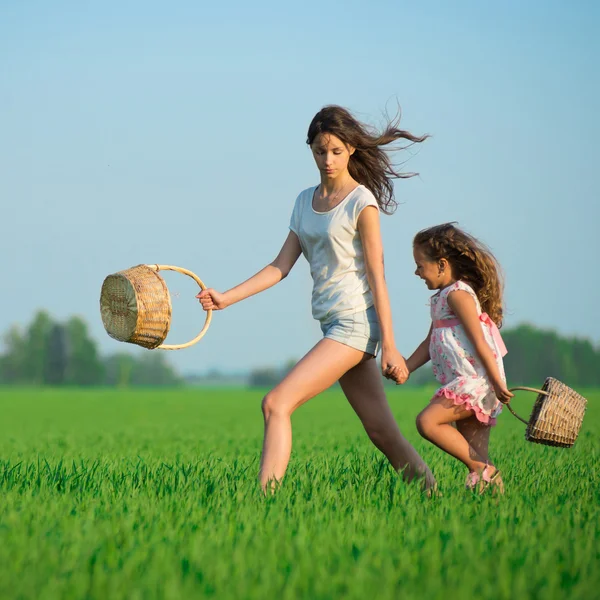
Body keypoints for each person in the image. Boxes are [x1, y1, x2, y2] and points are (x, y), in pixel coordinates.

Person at [198, 105, 435, 492]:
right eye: (320, 151)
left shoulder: (362, 202)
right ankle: (433, 493)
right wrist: (226, 298)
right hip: (334, 324)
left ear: (352, 150)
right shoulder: (303, 201)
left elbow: (378, 277)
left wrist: (390, 346)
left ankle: (263, 502)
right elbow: (280, 266)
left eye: (336, 151)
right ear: (310, 149)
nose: (328, 160)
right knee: (381, 431)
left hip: (356, 324)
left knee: (276, 403)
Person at [406, 223, 512, 494]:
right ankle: (493, 497)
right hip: (463, 382)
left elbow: (480, 341)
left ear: (441, 264)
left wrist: (498, 383)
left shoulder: (458, 294)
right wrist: (405, 368)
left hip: (476, 383)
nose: (416, 272)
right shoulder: (441, 299)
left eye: (420, 265)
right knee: (477, 455)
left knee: (427, 422)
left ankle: (484, 471)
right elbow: (429, 344)